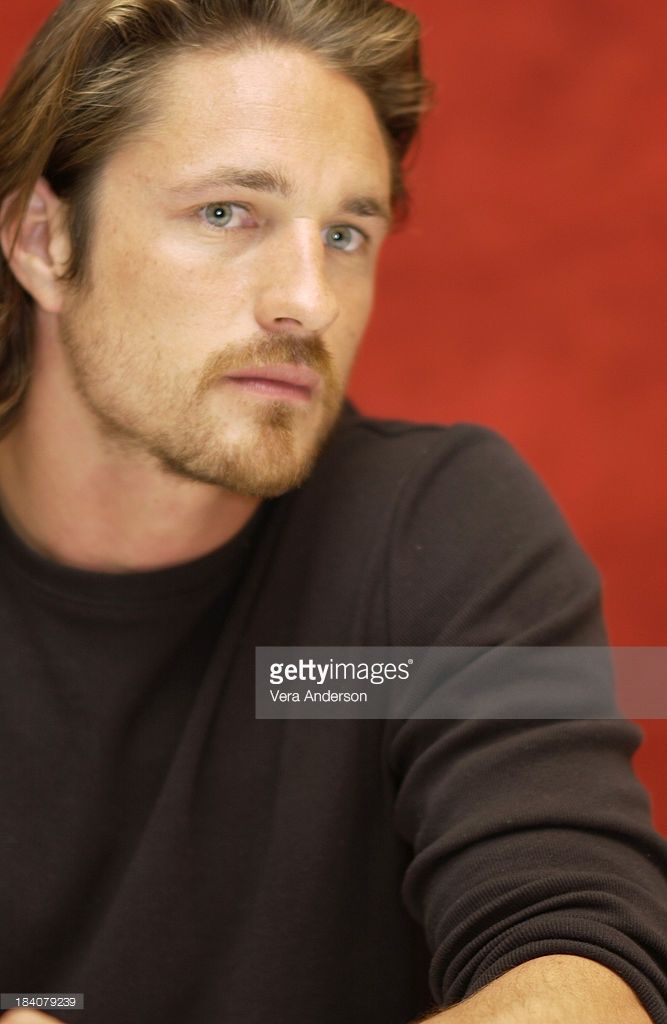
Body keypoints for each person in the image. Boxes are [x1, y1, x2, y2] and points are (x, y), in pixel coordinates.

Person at [0, 1, 666, 1023]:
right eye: (227, 213)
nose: (310, 301)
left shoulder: (445, 524)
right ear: (44, 240)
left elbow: (589, 970)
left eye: (346, 233)